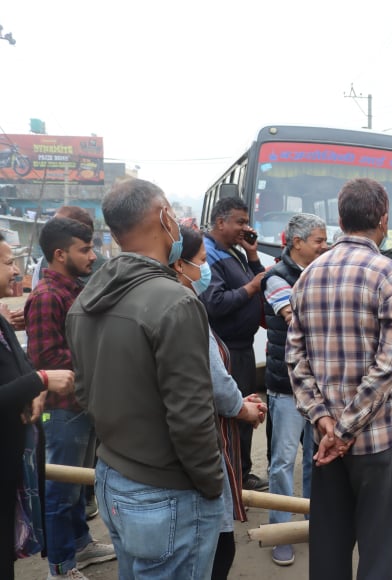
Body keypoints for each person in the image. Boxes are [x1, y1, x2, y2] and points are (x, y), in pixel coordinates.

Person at [67, 178, 225, 579]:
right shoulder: (175, 302)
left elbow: (85, 394)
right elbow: (191, 417)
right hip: (166, 494)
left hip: (112, 479)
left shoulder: (85, 300)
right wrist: (211, 484)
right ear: (164, 217)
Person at [288, 177, 392, 580]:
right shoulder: (388, 273)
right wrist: (343, 431)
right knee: (382, 554)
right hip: (378, 443)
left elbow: (296, 361)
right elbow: (388, 365)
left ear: (340, 219)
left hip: (325, 445)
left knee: (328, 553)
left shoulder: (307, 275)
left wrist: (326, 424)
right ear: (384, 219)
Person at [170, 225, 266, 580]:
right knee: (215, 548)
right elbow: (214, 381)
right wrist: (243, 408)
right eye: (201, 261)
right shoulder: (185, 307)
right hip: (200, 442)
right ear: (180, 265)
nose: (205, 268)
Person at [24, 218, 115, 580]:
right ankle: (60, 569)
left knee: (77, 486)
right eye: (85, 249)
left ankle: (80, 544)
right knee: (60, 492)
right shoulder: (47, 297)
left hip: (81, 403)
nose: (92, 256)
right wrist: (98, 361)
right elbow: (45, 360)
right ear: (60, 254)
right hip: (62, 412)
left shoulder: (72, 290)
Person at [0, 233, 74, 579]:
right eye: (7, 262)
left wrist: (34, 385)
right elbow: (38, 366)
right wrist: (41, 381)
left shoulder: (2, 318)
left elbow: (22, 364)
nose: (17, 270)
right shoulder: (46, 296)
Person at [261, 213, 327, 566]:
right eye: (318, 240)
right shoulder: (275, 278)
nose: (324, 246)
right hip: (287, 386)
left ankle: (314, 522)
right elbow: (294, 318)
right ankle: (280, 532)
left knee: (316, 460)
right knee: (283, 462)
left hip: (316, 386)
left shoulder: (318, 272)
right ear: (297, 242)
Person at [200, 197, 267, 491]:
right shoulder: (210, 256)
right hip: (225, 349)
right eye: (239, 222)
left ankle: (242, 471)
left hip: (243, 346)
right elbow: (215, 303)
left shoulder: (235, 252)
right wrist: (249, 288)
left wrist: (252, 255)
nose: (245, 228)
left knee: (246, 406)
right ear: (220, 222)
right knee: (232, 410)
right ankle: (231, 474)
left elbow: (262, 283)